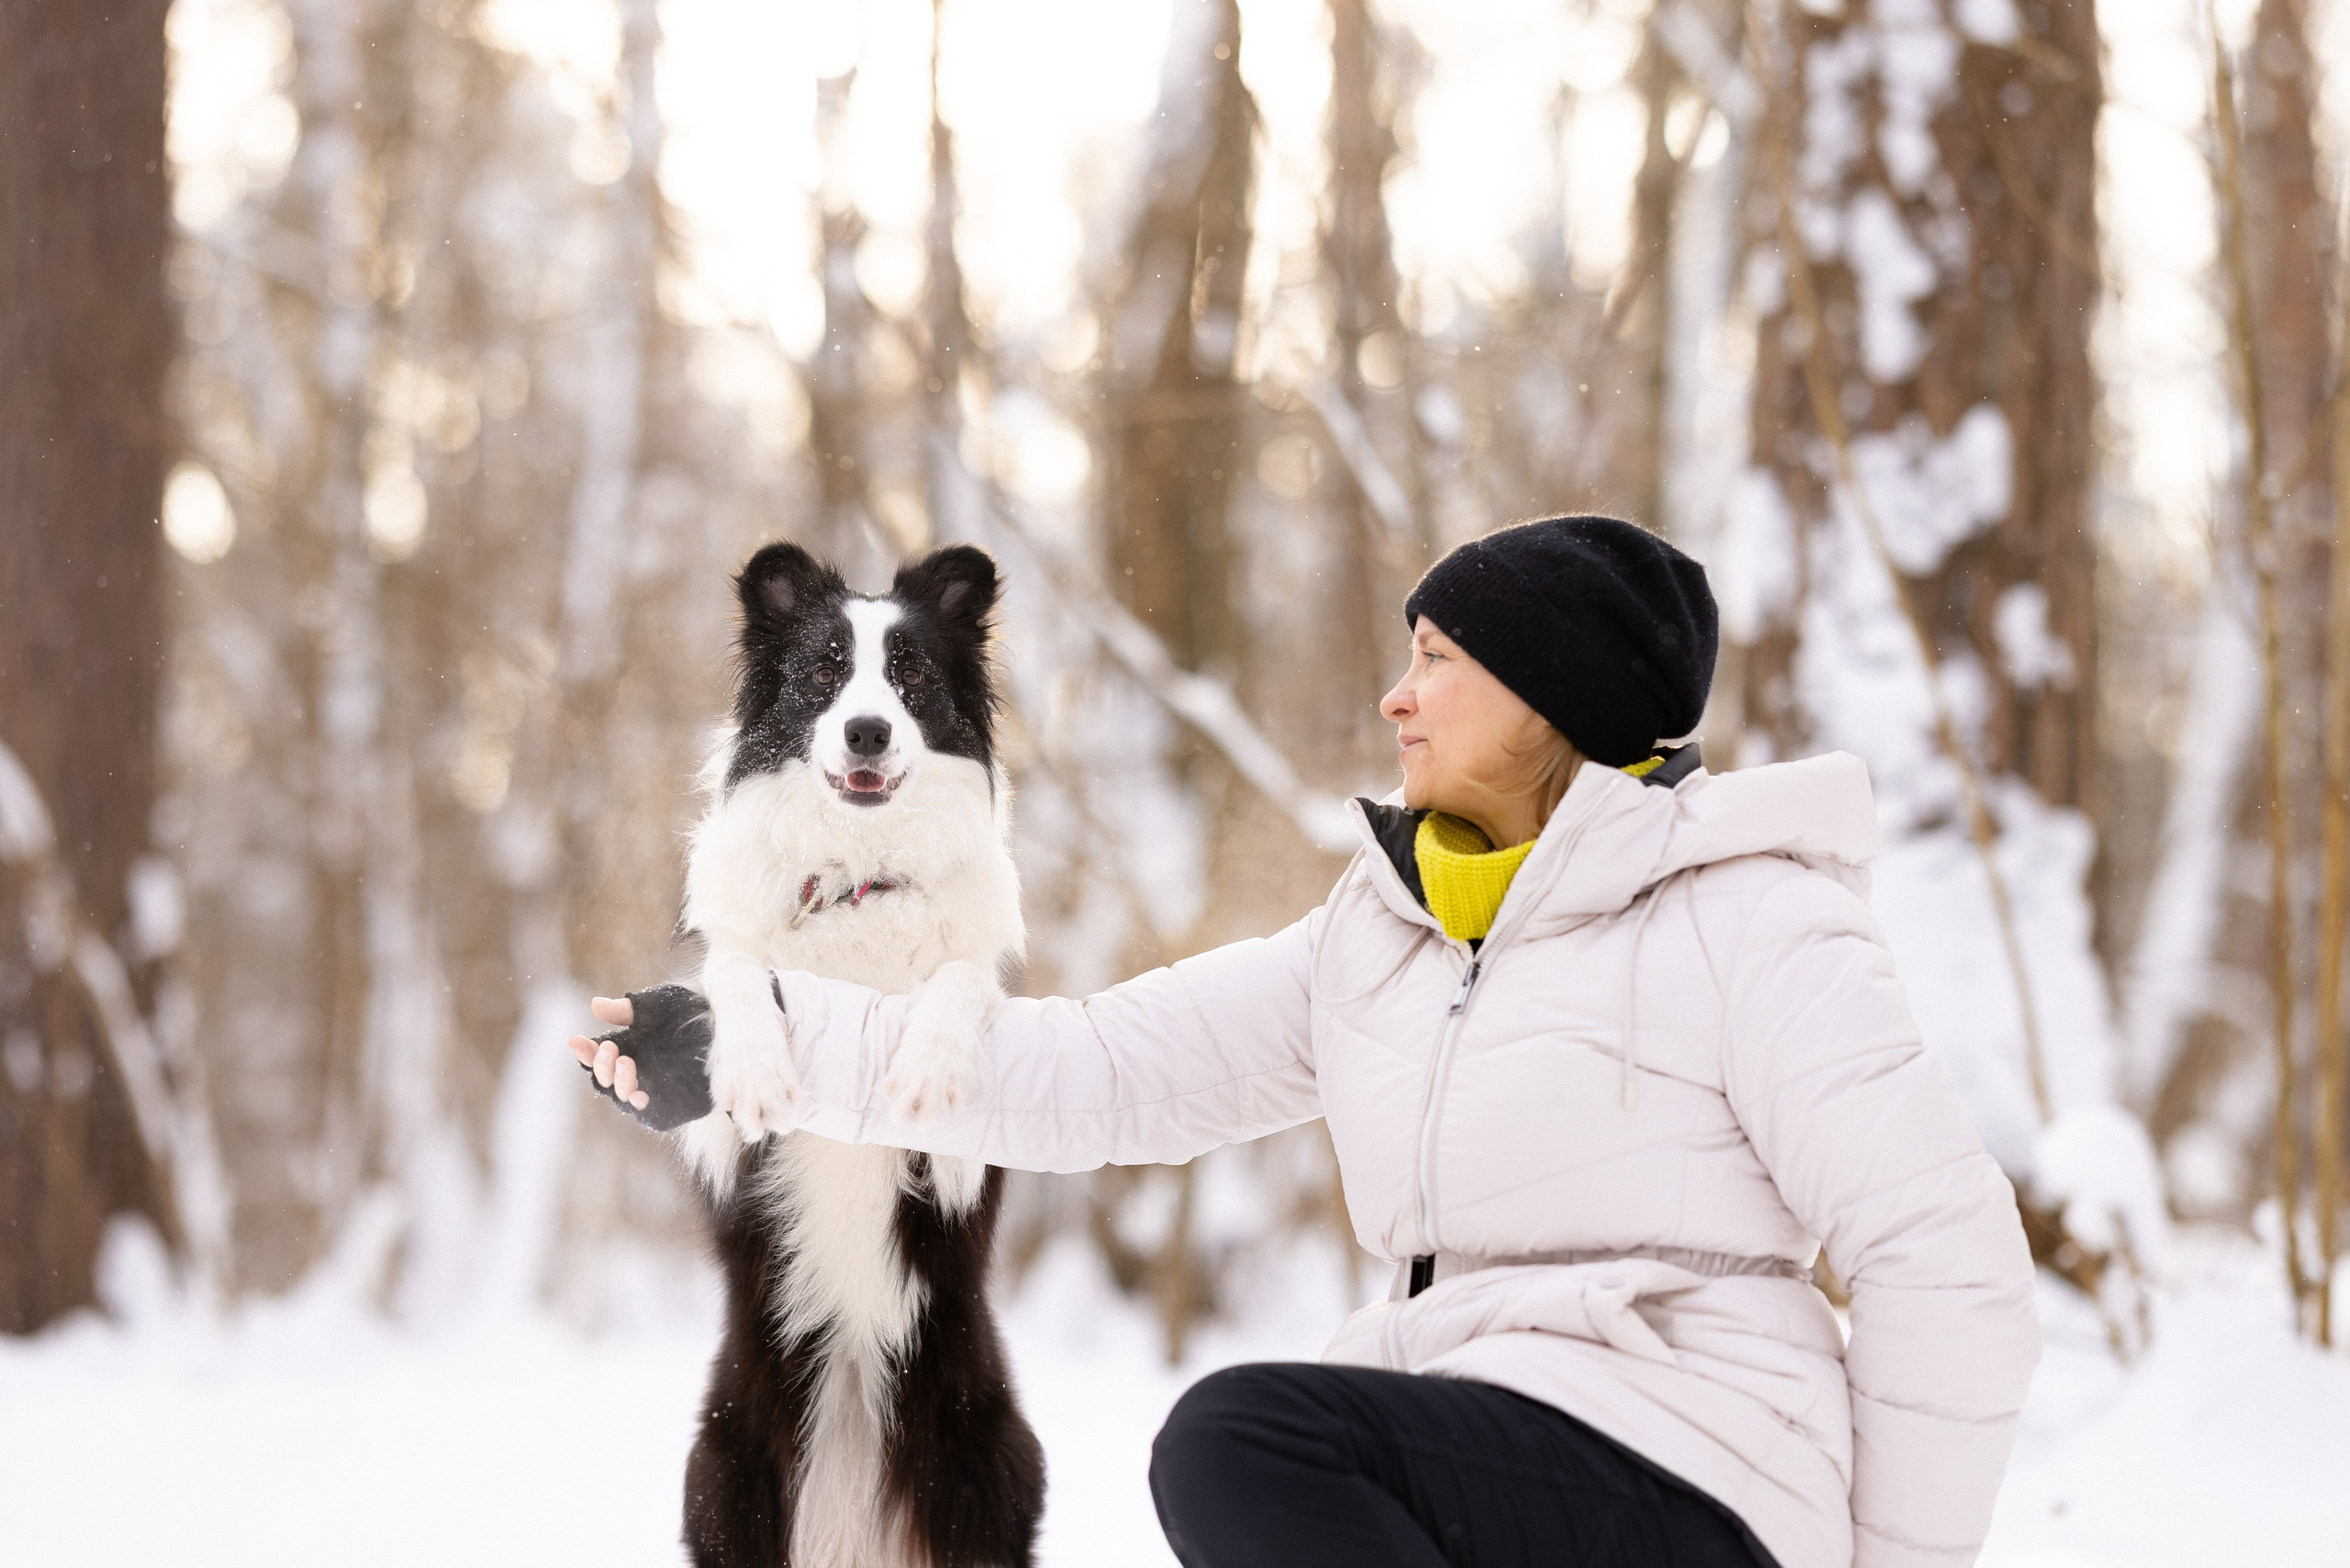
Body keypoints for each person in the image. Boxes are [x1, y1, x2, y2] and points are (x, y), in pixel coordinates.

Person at [572, 515, 2040, 1568]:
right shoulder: (1382, 934)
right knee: (1244, 1455)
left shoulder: (1750, 921)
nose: (1397, 694)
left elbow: (1944, 1259)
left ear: (1556, 700)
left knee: (1246, 1444)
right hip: (1464, 1444)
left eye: (1440, 659)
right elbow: (1097, 1075)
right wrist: (764, 1040)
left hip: (1696, 1467)